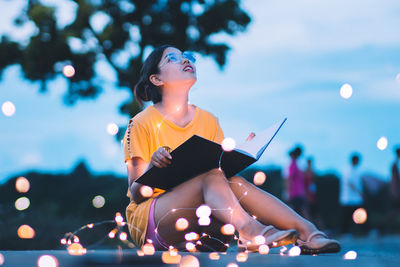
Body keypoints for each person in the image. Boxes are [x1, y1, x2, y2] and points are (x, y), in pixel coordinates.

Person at [123, 45, 340, 254]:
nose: (185, 60)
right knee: (210, 177)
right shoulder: (141, 123)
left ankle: (307, 232)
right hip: (155, 225)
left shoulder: (208, 121)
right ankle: (251, 232)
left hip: (206, 227)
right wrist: (153, 166)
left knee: (232, 181)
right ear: (156, 79)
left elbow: (222, 182)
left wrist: (240, 154)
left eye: (186, 55)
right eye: (172, 58)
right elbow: (136, 193)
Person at [339, 153, 364, 234]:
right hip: (348, 198)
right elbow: (350, 183)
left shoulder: (355, 170)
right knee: (347, 217)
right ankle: (345, 233)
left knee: (359, 215)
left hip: (355, 199)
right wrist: (359, 192)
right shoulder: (348, 170)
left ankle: (361, 231)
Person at [285, 146, 311, 220]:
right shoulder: (293, 165)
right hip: (295, 193)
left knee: (301, 212)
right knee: (302, 212)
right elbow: (290, 179)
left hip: (298, 193)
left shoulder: (296, 164)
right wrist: (289, 193)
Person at [303, 157, 318, 221]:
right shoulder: (305, 172)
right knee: (306, 210)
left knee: (314, 212)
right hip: (306, 194)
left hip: (312, 195)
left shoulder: (313, 172)